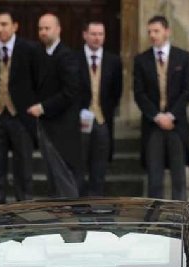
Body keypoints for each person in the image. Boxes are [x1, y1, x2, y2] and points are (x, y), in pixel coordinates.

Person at [0, 10, 39, 204]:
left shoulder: (30, 49)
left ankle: (23, 209)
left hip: (21, 115)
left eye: (4, 24)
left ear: (15, 26)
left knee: (24, 168)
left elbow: (38, 80)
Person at [133, 15, 189, 201]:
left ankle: (181, 220)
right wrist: (157, 116)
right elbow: (139, 93)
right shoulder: (141, 60)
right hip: (153, 125)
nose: (152, 35)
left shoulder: (183, 57)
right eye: (150, 31)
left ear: (167, 31)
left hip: (176, 125)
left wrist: (172, 115)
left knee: (178, 177)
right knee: (154, 178)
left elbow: (187, 91)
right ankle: (155, 221)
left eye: (156, 31)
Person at [27, 13, 82, 198]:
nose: (43, 32)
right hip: (47, 126)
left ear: (58, 30)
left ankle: (71, 216)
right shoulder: (40, 54)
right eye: (40, 28)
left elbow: (70, 92)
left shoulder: (66, 56)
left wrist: (43, 107)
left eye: (47, 28)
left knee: (63, 175)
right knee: (52, 174)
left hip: (62, 128)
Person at [78, 20, 123, 196]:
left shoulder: (114, 61)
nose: (97, 38)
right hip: (80, 122)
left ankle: (95, 205)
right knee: (80, 166)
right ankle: (79, 205)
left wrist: (106, 110)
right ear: (85, 35)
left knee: (99, 167)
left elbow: (117, 91)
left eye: (100, 34)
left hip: (103, 120)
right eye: (93, 34)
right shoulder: (75, 59)